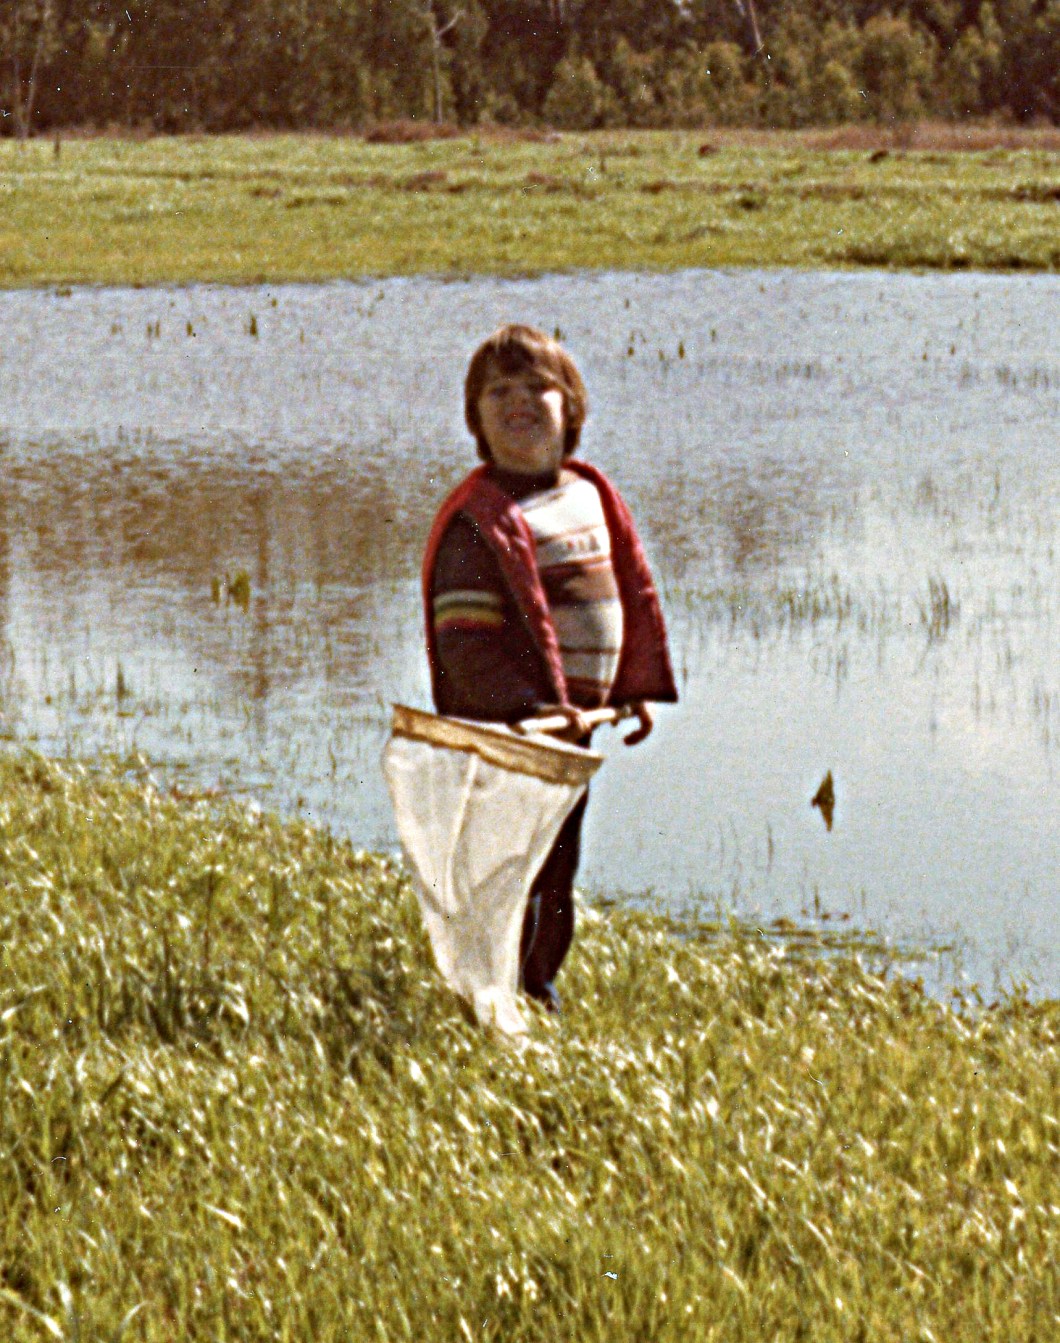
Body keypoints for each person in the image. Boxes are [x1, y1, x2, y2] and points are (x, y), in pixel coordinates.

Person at [422, 324, 677, 1010]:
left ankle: (538, 986)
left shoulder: (589, 494)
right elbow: (465, 645)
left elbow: (625, 594)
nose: (519, 403)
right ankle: (495, 991)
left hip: (573, 732)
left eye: (538, 386)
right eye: (498, 392)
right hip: (514, 735)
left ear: (571, 404)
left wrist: (631, 688)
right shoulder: (479, 523)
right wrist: (532, 707)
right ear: (475, 418)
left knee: (559, 866)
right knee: (510, 869)